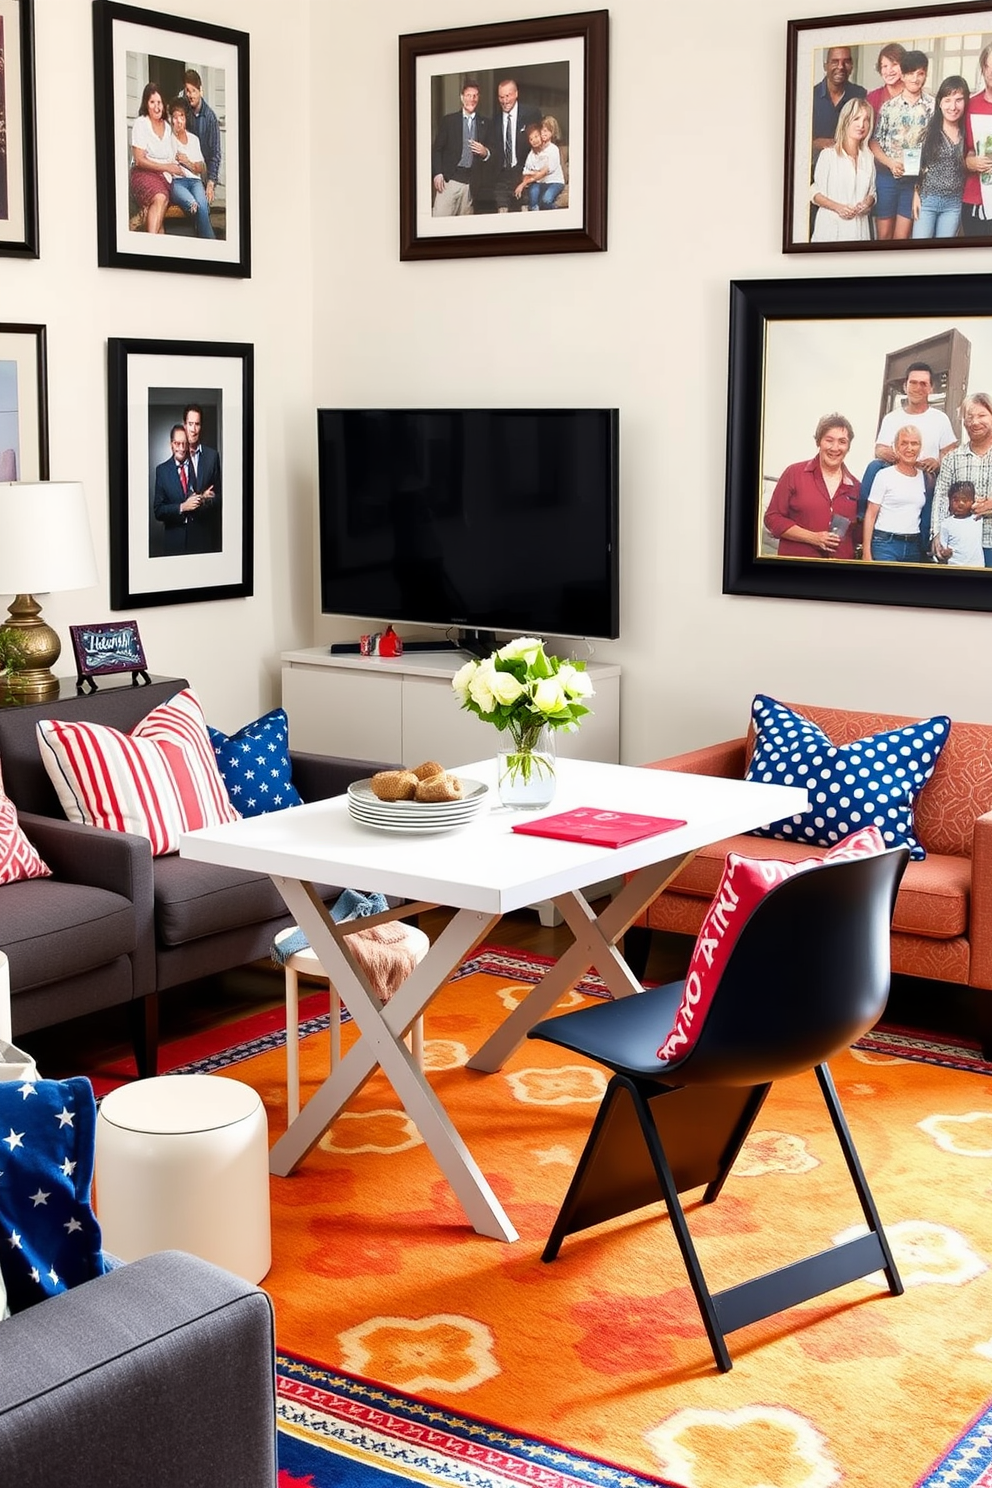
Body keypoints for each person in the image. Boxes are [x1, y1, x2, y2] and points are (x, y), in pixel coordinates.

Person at [857, 362, 957, 532]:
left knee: (931, 484)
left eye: (923, 383)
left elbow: (950, 452)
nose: (918, 387)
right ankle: (860, 516)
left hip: (924, 475)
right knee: (874, 466)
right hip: (896, 471)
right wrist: (900, 457)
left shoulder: (940, 419)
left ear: (931, 388)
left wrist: (937, 462)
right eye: (913, 382)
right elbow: (879, 449)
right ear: (905, 386)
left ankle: (925, 540)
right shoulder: (891, 418)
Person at [763, 414, 860, 559]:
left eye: (842, 441)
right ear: (818, 442)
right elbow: (772, 518)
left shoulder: (856, 486)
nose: (835, 448)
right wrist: (813, 537)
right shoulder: (794, 473)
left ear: (848, 447)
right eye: (829, 440)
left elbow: (857, 534)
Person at [870, 49, 933, 241]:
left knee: (902, 238)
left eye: (920, 73)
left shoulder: (933, 106)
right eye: (911, 73)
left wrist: (920, 182)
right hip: (887, 178)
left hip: (914, 183)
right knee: (884, 236)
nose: (915, 78)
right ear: (903, 76)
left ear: (925, 75)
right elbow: (874, 142)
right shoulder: (889, 107)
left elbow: (934, 146)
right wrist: (890, 163)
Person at [930, 391, 992, 566]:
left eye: (982, 415)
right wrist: (937, 534)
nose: (975, 422)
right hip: (961, 550)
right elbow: (941, 497)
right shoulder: (953, 458)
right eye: (969, 416)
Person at [809, 97, 875, 242]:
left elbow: (872, 193)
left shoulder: (868, 157)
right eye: (856, 118)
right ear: (846, 120)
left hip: (859, 230)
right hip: (831, 230)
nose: (861, 125)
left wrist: (866, 204)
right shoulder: (828, 155)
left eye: (866, 119)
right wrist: (838, 207)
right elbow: (814, 193)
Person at [912, 76, 970, 238]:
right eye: (947, 100)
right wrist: (915, 194)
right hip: (927, 200)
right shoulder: (928, 132)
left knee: (943, 251)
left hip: (953, 203)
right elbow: (916, 165)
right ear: (939, 102)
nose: (953, 106)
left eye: (959, 100)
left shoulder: (968, 133)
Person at [862, 425, 927, 563]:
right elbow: (870, 514)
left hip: (913, 546)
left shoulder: (925, 478)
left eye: (914, 443)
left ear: (920, 447)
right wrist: (866, 553)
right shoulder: (884, 475)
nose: (909, 448)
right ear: (896, 447)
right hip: (885, 544)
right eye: (904, 443)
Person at [430, 79, 493, 217]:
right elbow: (437, 149)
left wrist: (485, 152)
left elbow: (493, 153)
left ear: (479, 98)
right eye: (468, 95)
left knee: (464, 229)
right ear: (462, 97)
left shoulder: (486, 123)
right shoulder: (449, 121)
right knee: (440, 224)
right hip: (448, 181)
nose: (472, 99)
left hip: (471, 185)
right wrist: (437, 173)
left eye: (475, 95)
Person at [488, 77, 543, 213]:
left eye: (508, 96)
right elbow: (493, 149)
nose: (505, 101)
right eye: (501, 97)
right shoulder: (494, 120)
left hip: (524, 172)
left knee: (525, 213)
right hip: (502, 175)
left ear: (516, 94)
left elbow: (540, 141)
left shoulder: (532, 113)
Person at [167, 97, 216, 239]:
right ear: (171, 120)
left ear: (186, 118)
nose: (178, 121)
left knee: (202, 206)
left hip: (194, 182)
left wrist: (187, 162)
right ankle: (209, 243)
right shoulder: (169, 139)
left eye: (181, 116)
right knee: (194, 204)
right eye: (174, 117)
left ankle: (208, 242)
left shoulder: (194, 139)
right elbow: (169, 166)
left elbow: (201, 168)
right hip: (178, 182)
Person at [129, 83, 174, 235]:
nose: (156, 107)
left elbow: (171, 155)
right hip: (143, 173)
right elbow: (140, 160)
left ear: (164, 104)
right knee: (160, 198)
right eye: (152, 102)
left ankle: (152, 242)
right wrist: (167, 167)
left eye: (159, 102)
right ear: (146, 104)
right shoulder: (141, 123)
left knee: (160, 207)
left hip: (165, 177)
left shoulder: (168, 127)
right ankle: (152, 242)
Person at [153, 424, 203, 553]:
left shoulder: (198, 466)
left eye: (184, 444)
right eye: (177, 443)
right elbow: (158, 511)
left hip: (198, 540)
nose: (181, 448)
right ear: (172, 444)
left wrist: (204, 498)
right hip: (174, 542)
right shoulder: (162, 471)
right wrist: (182, 507)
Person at [811, 46, 867, 160]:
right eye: (835, 62)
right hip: (816, 165)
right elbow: (798, 138)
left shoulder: (861, 94)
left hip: (850, 163)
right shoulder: (810, 96)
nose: (840, 67)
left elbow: (866, 133)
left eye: (846, 62)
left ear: (851, 67)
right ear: (825, 66)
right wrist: (817, 143)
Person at [182, 403, 222, 553]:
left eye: (197, 424)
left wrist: (205, 499)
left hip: (206, 534)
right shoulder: (176, 455)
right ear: (184, 425)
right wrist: (201, 496)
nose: (193, 429)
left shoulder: (212, 457)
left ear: (201, 427)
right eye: (190, 424)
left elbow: (219, 496)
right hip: (181, 535)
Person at [963, 43, 992, 237]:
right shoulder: (970, 105)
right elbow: (961, 150)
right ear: (983, 68)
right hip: (975, 198)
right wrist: (969, 161)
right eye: (989, 66)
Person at [183, 70, 221, 207]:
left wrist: (210, 184)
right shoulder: (183, 111)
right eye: (187, 91)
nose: (189, 95)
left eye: (193, 91)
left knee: (202, 205)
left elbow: (215, 155)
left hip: (202, 174)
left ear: (200, 91)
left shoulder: (210, 118)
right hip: (183, 170)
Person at [514, 116, 566, 210]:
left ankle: (557, 213)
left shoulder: (553, 149)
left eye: (546, 131)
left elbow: (544, 172)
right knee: (533, 198)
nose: (543, 133)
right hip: (538, 183)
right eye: (542, 131)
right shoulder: (532, 153)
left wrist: (523, 183)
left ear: (552, 133)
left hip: (554, 182)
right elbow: (525, 173)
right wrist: (530, 176)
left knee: (546, 200)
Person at [933, 480, 985, 567]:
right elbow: (942, 551)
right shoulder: (946, 524)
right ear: (949, 501)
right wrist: (945, 554)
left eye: (965, 500)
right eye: (955, 500)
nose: (960, 504)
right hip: (955, 569)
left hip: (976, 569)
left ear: (972, 501)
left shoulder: (978, 518)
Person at [866, 42, 907, 117]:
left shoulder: (913, 95)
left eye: (894, 64)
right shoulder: (872, 98)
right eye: (885, 66)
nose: (889, 71)